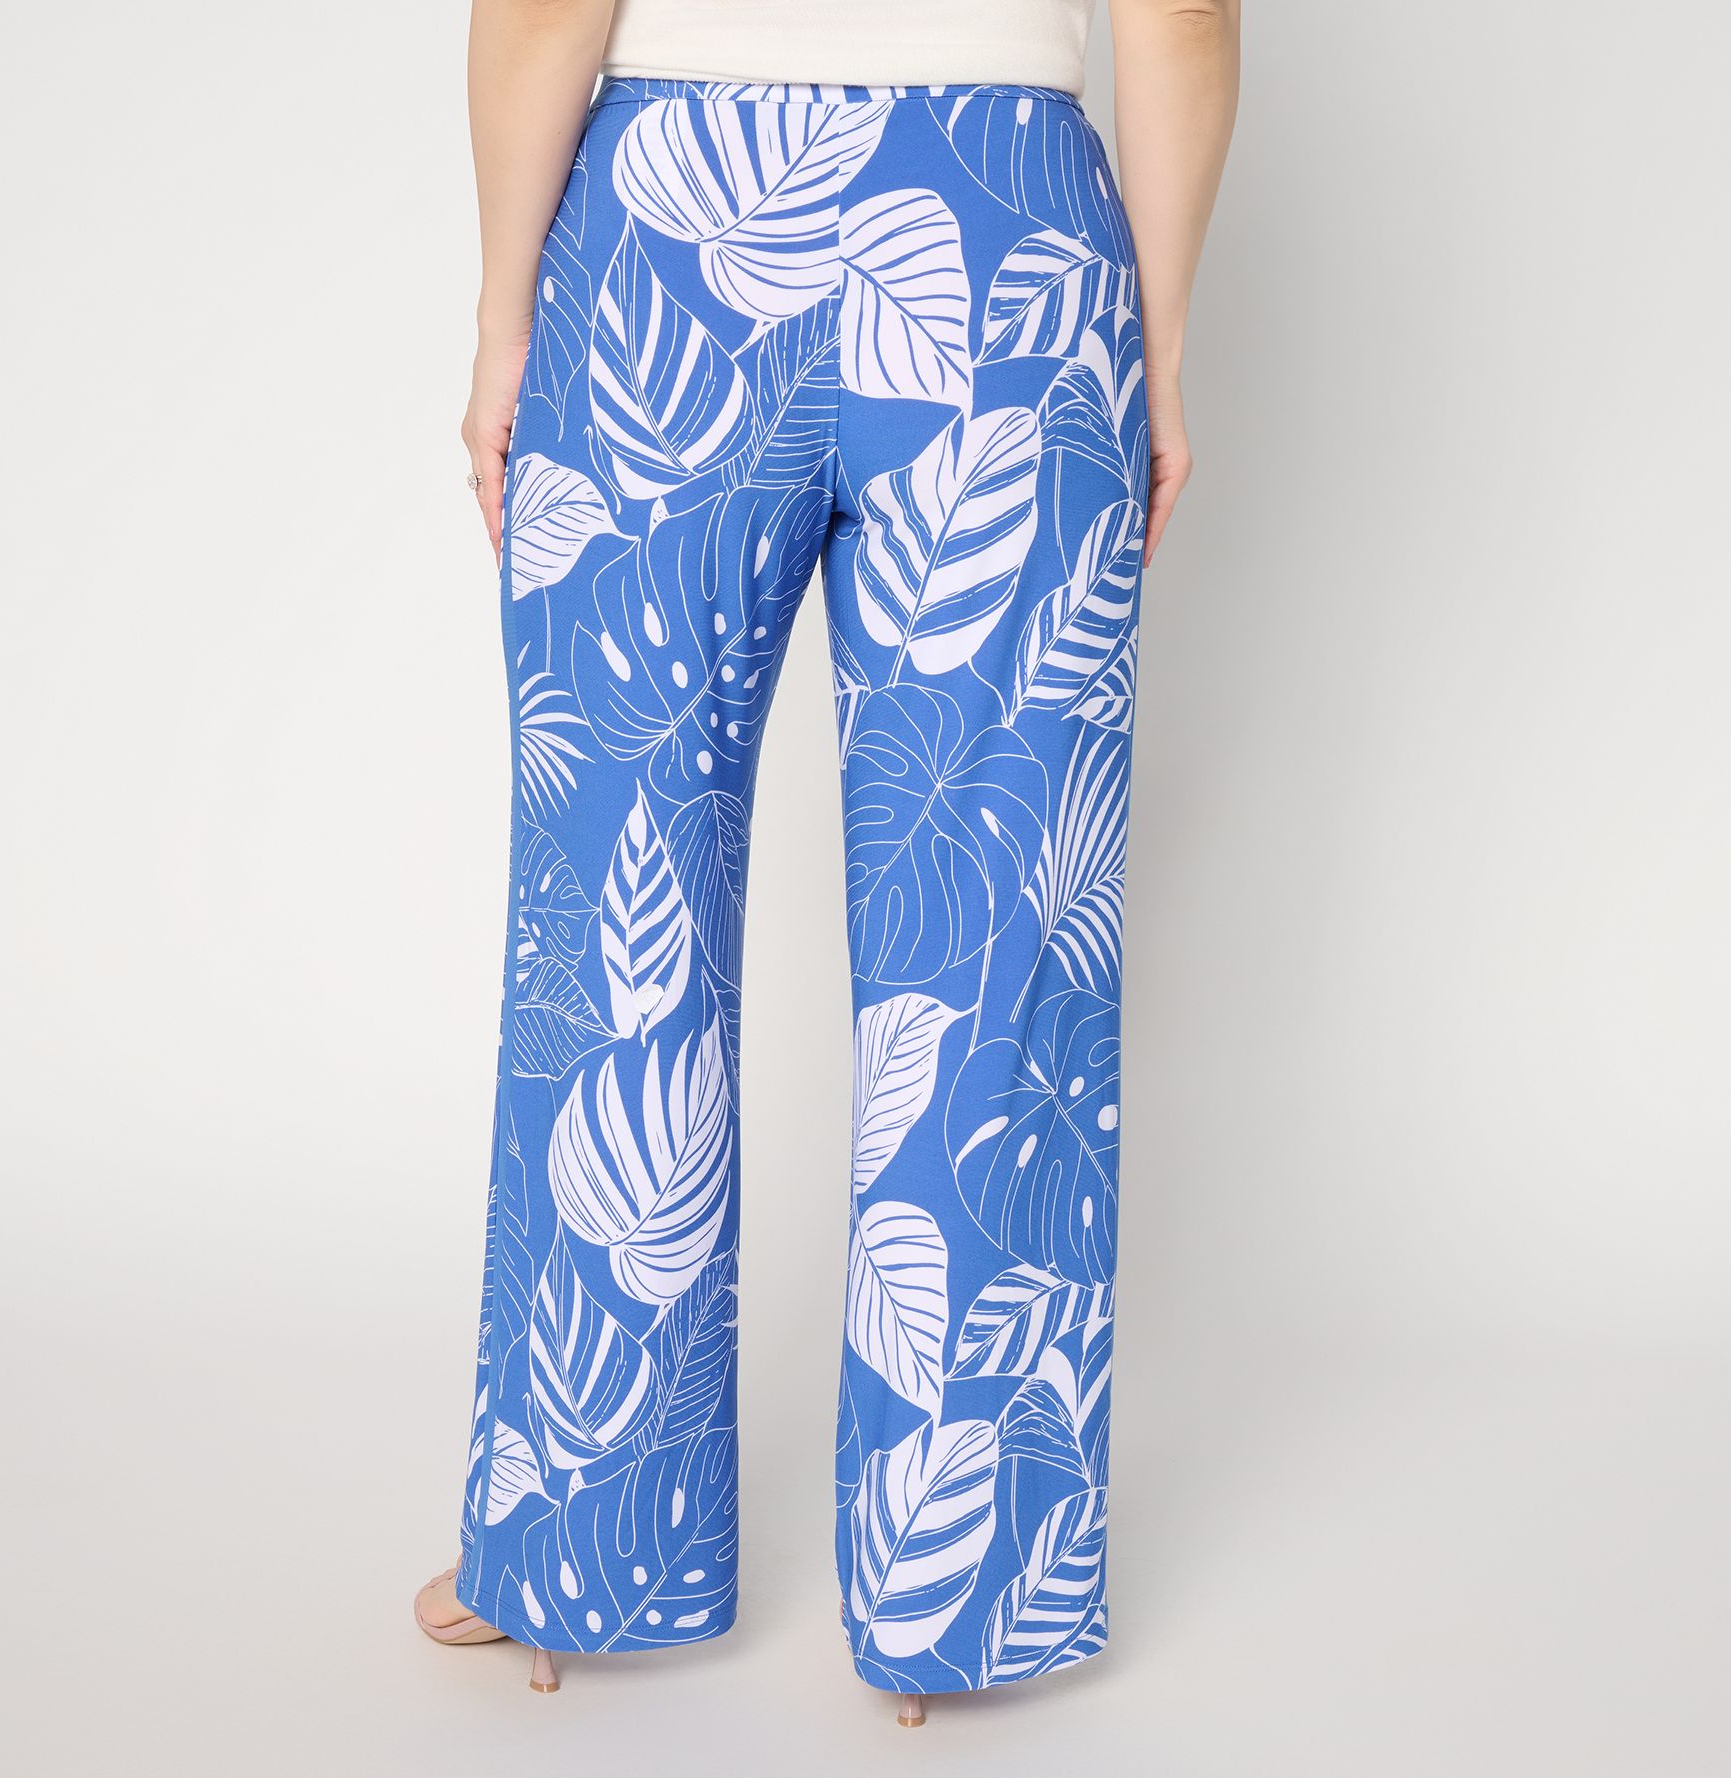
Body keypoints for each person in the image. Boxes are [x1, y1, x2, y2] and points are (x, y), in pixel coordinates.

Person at [413, 0, 1240, 1727]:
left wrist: (505, 317)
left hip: (676, 233)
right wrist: (1156, 335)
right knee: (998, 936)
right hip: (1009, 236)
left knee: (611, 896)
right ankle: (962, 1594)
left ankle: (571, 1554)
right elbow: (1179, 13)